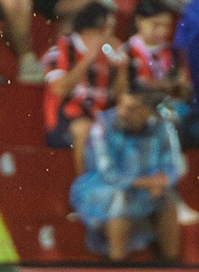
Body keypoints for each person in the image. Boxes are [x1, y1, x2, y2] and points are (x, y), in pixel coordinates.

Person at [126, 0, 199, 227]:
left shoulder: (172, 53)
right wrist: (166, 86)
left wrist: (180, 87)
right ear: (139, 21)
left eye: (166, 26)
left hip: (178, 115)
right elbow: (133, 88)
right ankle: (174, 201)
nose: (162, 31)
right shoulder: (127, 52)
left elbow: (183, 88)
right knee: (165, 136)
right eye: (156, 25)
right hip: (147, 119)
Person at [70, 88, 183, 261]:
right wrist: (145, 183)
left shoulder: (163, 126)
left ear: (147, 112)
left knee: (167, 199)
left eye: (131, 109)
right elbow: (107, 173)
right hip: (101, 186)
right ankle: (117, 264)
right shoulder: (103, 124)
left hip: (147, 186)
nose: (122, 113)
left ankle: (171, 264)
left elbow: (173, 166)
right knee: (120, 200)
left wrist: (161, 182)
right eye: (121, 106)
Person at [42, 1, 126, 171]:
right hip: (64, 122)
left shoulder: (111, 53)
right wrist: (90, 57)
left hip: (101, 118)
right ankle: (85, 184)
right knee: (85, 129)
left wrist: (123, 69)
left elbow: (119, 97)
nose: (109, 35)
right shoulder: (62, 47)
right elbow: (59, 89)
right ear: (90, 30)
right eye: (107, 30)